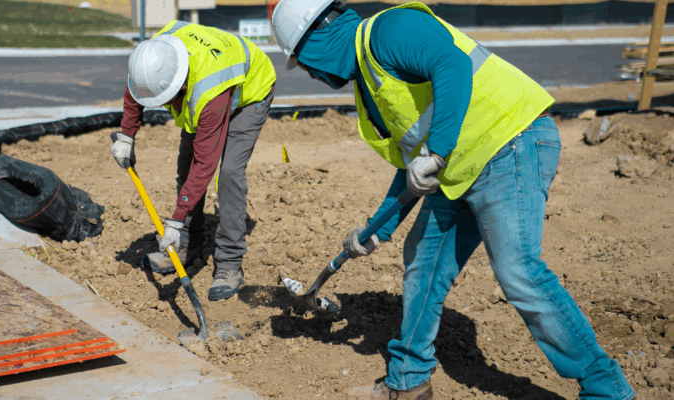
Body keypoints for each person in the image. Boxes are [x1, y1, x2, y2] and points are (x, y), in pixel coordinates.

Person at [272, 1, 635, 399]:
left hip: (509, 142)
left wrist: (437, 153)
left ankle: (607, 391)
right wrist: (380, 229)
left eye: (303, 62)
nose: (309, 73)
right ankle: (408, 381)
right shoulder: (369, 87)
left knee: (519, 270)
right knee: (423, 262)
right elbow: (413, 164)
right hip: (459, 167)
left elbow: (453, 65)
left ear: (317, 39)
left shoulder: (390, 29)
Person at [111, 19, 276, 301]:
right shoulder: (155, 55)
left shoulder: (207, 92)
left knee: (229, 175)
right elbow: (136, 88)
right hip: (209, 82)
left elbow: (205, 165)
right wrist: (127, 134)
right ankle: (188, 244)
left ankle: (229, 264)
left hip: (251, 91)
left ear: (179, 85)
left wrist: (174, 220)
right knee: (184, 166)